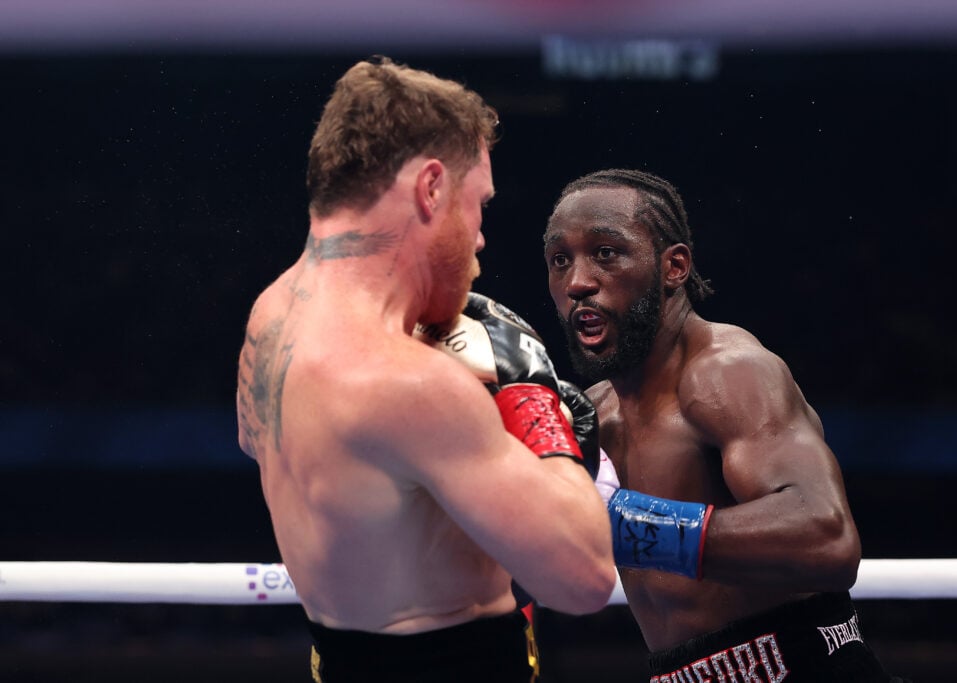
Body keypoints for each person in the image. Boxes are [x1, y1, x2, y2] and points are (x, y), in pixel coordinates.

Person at [235, 57, 615, 683]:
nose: (481, 238)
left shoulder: (271, 317)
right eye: (480, 205)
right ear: (432, 188)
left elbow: (261, 442)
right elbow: (583, 579)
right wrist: (533, 398)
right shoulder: (409, 384)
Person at [543, 169, 903, 682]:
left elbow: (828, 540)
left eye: (606, 252)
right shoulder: (592, 415)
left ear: (674, 267)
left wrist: (631, 526)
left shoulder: (726, 373)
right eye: (561, 260)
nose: (578, 282)